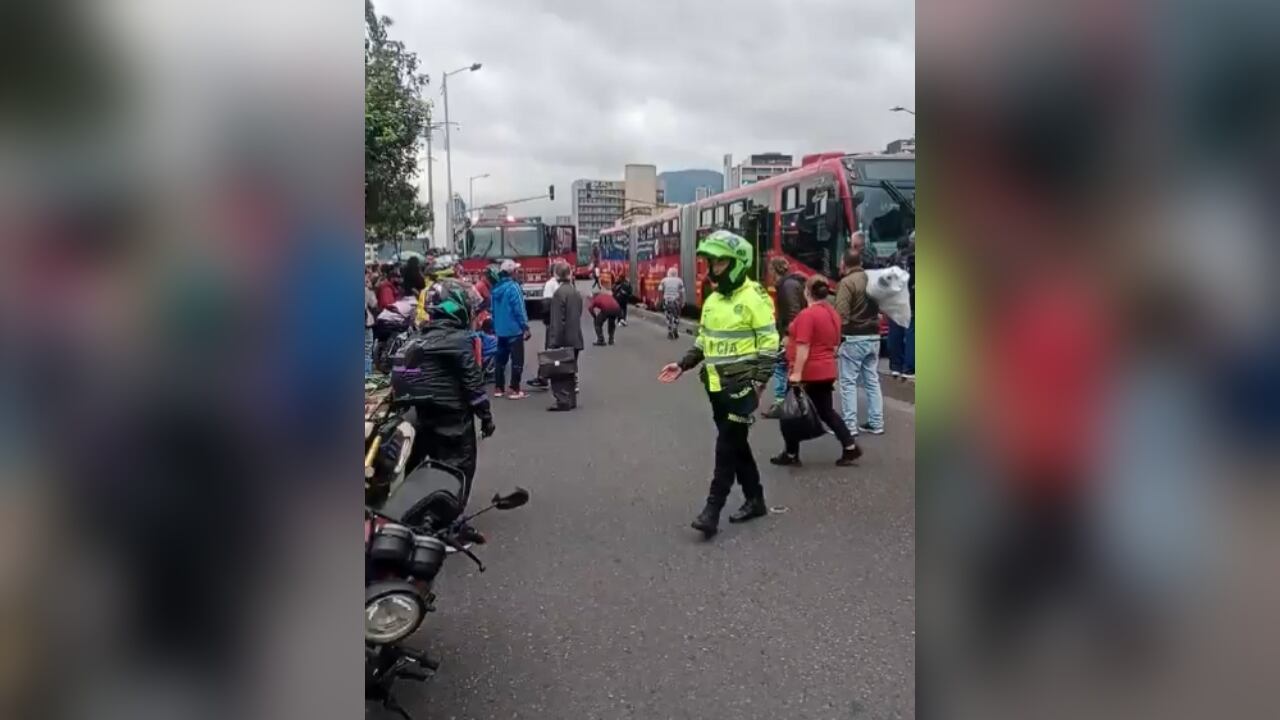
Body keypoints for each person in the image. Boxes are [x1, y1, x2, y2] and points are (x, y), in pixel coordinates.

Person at [658, 230, 779, 538]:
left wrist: (758, 386)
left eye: (720, 262)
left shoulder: (756, 298)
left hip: (742, 388)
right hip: (714, 387)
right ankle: (756, 499)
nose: (712, 269)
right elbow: (704, 340)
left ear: (738, 263)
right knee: (737, 444)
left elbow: (769, 345)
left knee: (726, 447)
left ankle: (712, 511)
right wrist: (683, 364)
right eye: (710, 262)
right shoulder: (712, 300)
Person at [397, 286, 496, 499]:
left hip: (420, 416)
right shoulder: (460, 339)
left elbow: (401, 376)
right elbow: (473, 384)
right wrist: (486, 417)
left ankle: (412, 510)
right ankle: (450, 520)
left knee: (416, 468)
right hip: (453, 418)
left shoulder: (416, 338)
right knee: (458, 469)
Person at [769, 276, 862, 466]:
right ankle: (849, 446)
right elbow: (835, 343)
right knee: (827, 411)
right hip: (826, 370)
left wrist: (797, 373)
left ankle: (791, 454)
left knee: (789, 413)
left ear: (806, 292)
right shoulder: (832, 313)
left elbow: (804, 346)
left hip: (808, 372)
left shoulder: (807, 315)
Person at [834, 233, 885, 435]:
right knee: (872, 380)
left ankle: (849, 426)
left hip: (853, 337)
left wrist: (836, 337)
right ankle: (876, 422)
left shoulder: (847, 283)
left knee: (848, 382)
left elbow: (841, 314)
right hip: (874, 336)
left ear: (845, 263)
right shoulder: (872, 279)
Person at [761, 257, 807, 419]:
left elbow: (793, 313)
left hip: (790, 335)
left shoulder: (786, 286)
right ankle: (794, 404)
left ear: (774, 271)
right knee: (789, 369)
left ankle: (781, 403)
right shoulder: (792, 284)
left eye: (770, 270)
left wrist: (787, 335)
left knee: (781, 367)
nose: (769, 274)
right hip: (794, 334)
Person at [546, 261, 585, 411]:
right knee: (571, 370)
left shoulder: (559, 294)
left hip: (563, 339)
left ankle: (562, 400)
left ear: (556, 275)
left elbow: (557, 320)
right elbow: (578, 313)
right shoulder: (575, 292)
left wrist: (553, 342)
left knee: (559, 372)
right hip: (576, 337)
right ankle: (571, 400)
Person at [490, 259, 532, 398]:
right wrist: (525, 326)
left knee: (500, 361)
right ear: (513, 272)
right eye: (516, 271)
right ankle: (515, 389)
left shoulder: (495, 289)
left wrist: (495, 327)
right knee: (517, 360)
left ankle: (498, 388)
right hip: (514, 330)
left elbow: (493, 310)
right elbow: (519, 309)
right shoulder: (514, 287)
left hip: (500, 330)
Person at [528, 267, 563, 389]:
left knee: (549, 350)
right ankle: (567, 379)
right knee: (561, 351)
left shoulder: (550, 284)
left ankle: (543, 378)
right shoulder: (564, 285)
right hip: (564, 323)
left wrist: (546, 321)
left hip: (553, 323)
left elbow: (546, 305)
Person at [887, 234, 916, 381]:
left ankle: (895, 367)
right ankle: (909, 368)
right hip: (910, 300)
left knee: (895, 333)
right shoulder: (914, 259)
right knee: (911, 333)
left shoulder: (893, 258)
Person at [657, 267, 685, 340]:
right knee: (676, 316)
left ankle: (670, 332)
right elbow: (682, 292)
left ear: (668, 273)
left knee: (668, 316)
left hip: (667, 301)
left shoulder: (664, 280)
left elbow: (660, 291)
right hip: (676, 301)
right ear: (676, 273)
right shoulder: (679, 281)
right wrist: (682, 302)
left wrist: (660, 300)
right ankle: (675, 329)